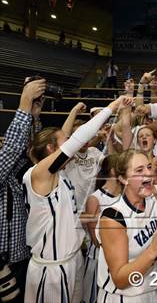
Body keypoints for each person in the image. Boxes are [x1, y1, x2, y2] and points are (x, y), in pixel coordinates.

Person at [23, 96, 129, 302]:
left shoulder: (60, 174)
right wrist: (111, 107)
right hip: (52, 268)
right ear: (51, 150)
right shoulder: (38, 174)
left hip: (72, 259)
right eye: (66, 142)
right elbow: (77, 139)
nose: (71, 143)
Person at [96, 149, 157, 302]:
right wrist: (152, 251)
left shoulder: (152, 198)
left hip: (152, 289)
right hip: (124, 296)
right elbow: (120, 280)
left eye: (149, 167)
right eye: (140, 170)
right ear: (124, 179)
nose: (149, 173)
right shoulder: (113, 217)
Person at [0, 78, 45, 302]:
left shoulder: (7, 171)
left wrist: (34, 118)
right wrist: (24, 102)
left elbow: (27, 155)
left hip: (19, 256)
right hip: (4, 263)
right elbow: (11, 150)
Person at [82, 154, 121, 303]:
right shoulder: (95, 198)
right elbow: (95, 240)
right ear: (113, 171)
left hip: (120, 259)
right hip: (99, 260)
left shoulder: (125, 195)